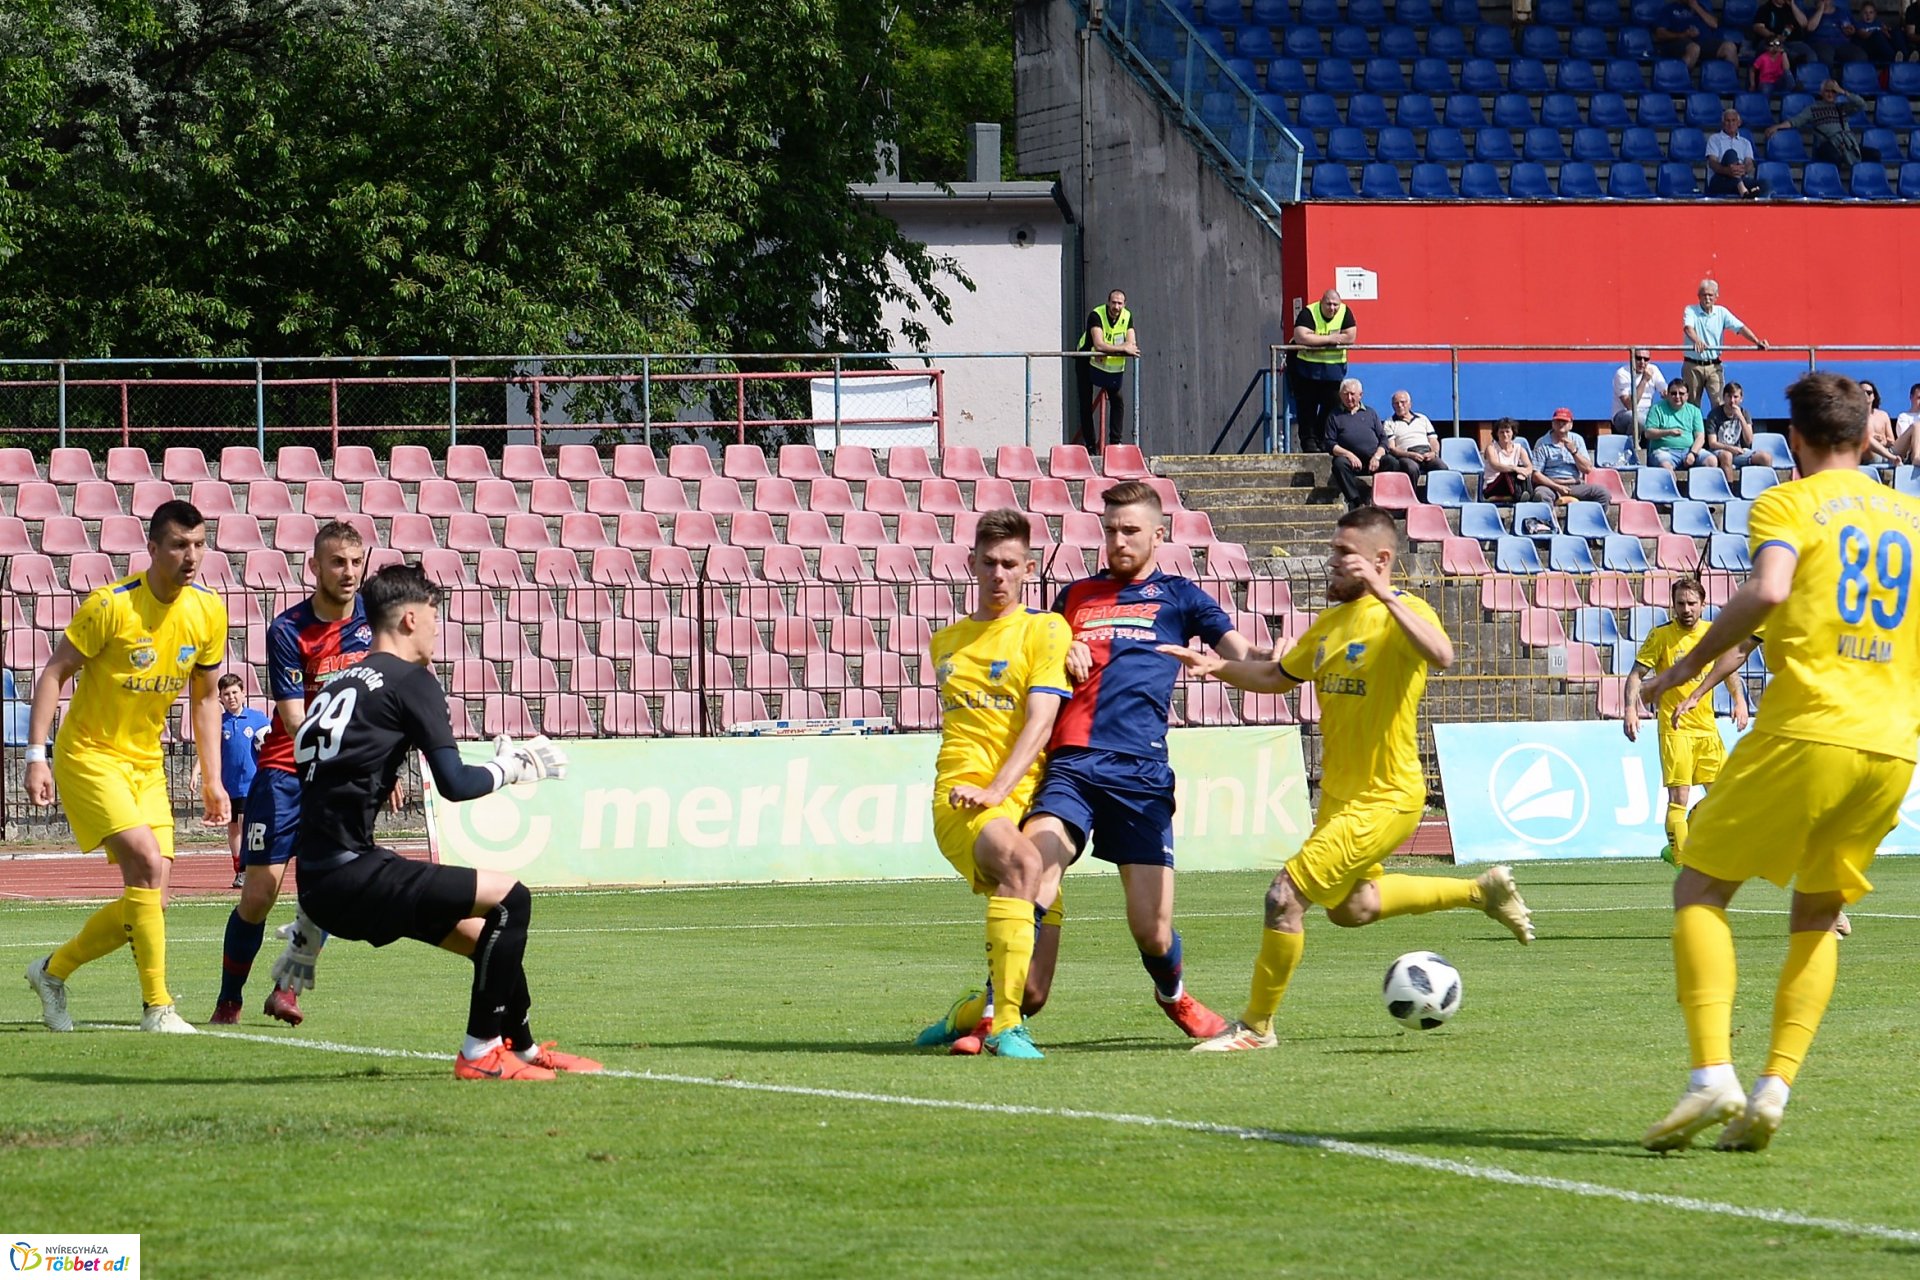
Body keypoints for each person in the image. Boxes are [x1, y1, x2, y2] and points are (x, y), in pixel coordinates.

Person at [1638, 371, 1918, 1152]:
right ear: (1868, 436)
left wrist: (1683, 668)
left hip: (1809, 728)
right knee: (1820, 913)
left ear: (1791, 440)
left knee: (1699, 884)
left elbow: (1766, 591)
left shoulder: (1788, 503)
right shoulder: (1912, 516)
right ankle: (1774, 1087)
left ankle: (1711, 1076)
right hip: (1892, 744)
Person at [1159, 507, 1534, 1053]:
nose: (1330, 562)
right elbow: (1273, 677)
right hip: (1339, 798)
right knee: (1350, 908)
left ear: (1380, 562)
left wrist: (1386, 595)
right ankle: (1480, 891)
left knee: (1283, 898)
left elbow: (1444, 655)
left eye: (1343, 554)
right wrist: (1215, 667)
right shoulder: (1329, 624)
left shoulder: (1404, 612)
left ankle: (1256, 1028)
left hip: (1387, 796)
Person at [286, 563, 597, 1081]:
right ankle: (478, 1053)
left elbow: (318, 784)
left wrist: (308, 923)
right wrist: (513, 768)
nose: (437, 629)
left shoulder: (338, 681)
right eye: (434, 617)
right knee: (511, 898)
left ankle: (520, 1049)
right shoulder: (412, 681)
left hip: (322, 880)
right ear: (409, 619)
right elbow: (454, 783)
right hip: (352, 874)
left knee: (486, 938)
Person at [1019, 480, 1258, 1042]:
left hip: (1141, 773)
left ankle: (1171, 993)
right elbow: (1033, 650)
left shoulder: (1181, 597)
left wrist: (1220, 667)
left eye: (1130, 531)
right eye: (1109, 530)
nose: (1118, 541)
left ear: (1158, 533)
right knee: (1033, 869)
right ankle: (1002, 1008)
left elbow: (1247, 658)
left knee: (1152, 932)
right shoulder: (1074, 596)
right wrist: (1061, 646)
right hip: (1072, 762)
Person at [22, 501, 229, 1035]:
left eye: (199, 544)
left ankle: (52, 971)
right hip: (88, 754)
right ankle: (158, 1007)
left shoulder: (208, 611)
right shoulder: (109, 605)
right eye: (180, 545)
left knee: (151, 900)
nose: (192, 556)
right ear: (154, 549)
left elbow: (206, 700)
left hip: (146, 763)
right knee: (143, 860)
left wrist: (212, 777)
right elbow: (54, 674)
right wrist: (35, 754)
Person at [913, 509, 1073, 1060]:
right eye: (988, 563)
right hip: (962, 797)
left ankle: (969, 1012)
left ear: (1029, 568)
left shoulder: (1045, 629)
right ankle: (1005, 1028)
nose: (998, 574)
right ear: (971, 564)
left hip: (1021, 803)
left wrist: (1002, 791)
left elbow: (1041, 720)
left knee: (1033, 990)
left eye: (1009, 564)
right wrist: (989, 792)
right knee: (1024, 864)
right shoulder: (946, 644)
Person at [210, 521, 373, 1027]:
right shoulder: (287, 629)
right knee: (259, 897)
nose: (348, 572)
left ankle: (286, 989)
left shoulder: (375, 619)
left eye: (355, 561)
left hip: (343, 776)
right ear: (316, 567)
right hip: (286, 772)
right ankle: (229, 998)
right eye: (337, 562)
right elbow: (294, 720)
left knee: (328, 890)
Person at [1623, 577, 1749, 866]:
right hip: (1675, 728)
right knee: (1678, 796)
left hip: (1707, 728)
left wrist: (1739, 700)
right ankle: (1682, 861)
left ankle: (1682, 838)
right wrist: (1630, 709)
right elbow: (1635, 675)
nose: (1686, 609)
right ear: (1673, 605)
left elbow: (1729, 669)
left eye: (1692, 603)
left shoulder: (1713, 633)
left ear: (1703, 605)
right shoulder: (1661, 636)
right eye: (1680, 603)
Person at [1681, 278, 1769, 411]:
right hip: (1693, 365)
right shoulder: (1691, 310)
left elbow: (1740, 327)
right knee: (1692, 406)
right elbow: (1688, 328)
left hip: (1714, 365)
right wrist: (1697, 340)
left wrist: (1757, 341)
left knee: (1719, 403)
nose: (1707, 298)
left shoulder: (1721, 312)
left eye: (1710, 295)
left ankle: (1716, 432)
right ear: (1698, 296)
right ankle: (1694, 432)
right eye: (1704, 295)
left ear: (1716, 297)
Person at [217, 674, 270, 889]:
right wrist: (197, 771)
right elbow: (208, 750)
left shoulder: (257, 719)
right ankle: (239, 868)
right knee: (233, 828)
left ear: (243, 694)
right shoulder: (219, 723)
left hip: (252, 782)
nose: (231, 697)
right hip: (228, 784)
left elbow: (270, 742)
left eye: (235, 692)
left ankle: (250, 867)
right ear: (220, 698)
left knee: (244, 822)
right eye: (226, 694)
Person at [1289, 288, 1356, 452]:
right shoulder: (1309, 313)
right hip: (1307, 370)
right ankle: (1309, 443)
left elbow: (1350, 337)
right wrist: (1330, 339)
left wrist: (1315, 339)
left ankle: (1321, 439)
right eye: (1329, 304)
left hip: (1333, 371)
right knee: (1307, 408)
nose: (1332, 308)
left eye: (1335, 305)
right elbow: (1301, 336)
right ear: (1321, 302)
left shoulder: (1345, 312)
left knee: (1332, 406)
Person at [1765, 80, 1878, 175]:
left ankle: (1865, 181)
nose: (1830, 94)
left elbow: (1861, 104)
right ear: (1821, 92)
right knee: (1834, 157)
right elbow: (1796, 121)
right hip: (1828, 144)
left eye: (1833, 92)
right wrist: (1778, 127)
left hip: (1847, 144)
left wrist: (1842, 92)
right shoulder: (1813, 109)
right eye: (1827, 91)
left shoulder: (1842, 108)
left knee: (1874, 154)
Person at [1076, 289, 1138, 451]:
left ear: (1124, 304)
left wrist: (1114, 349)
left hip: (1110, 365)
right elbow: (1099, 345)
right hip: (1086, 360)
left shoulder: (1127, 316)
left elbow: (1132, 344)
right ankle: (1090, 445)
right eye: (1113, 302)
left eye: (1119, 303)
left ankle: (1115, 443)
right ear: (1108, 302)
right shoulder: (1096, 315)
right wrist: (1122, 348)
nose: (1116, 306)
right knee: (1085, 403)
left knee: (1117, 400)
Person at [1326, 378, 1390, 510]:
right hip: (1351, 461)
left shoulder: (1370, 413)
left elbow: (1383, 439)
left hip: (1373, 459)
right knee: (1339, 464)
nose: (1349, 398)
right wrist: (1349, 455)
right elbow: (1330, 443)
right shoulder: (1334, 415)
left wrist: (1377, 457)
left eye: (1352, 394)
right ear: (1340, 395)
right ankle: (1356, 501)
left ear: (1360, 395)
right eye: (1345, 394)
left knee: (1393, 463)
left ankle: (1385, 500)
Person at [1530, 410, 1611, 504]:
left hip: (1574, 485)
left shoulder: (1577, 439)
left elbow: (1587, 469)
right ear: (1552, 424)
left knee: (1603, 493)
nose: (1561, 424)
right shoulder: (1542, 443)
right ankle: (1548, 518)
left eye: (1564, 422)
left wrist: (1574, 452)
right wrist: (1558, 487)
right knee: (1540, 494)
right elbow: (1536, 475)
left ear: (1571, 424)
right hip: (1551, 485)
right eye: (1558, 421)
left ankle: (1591, 518)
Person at [1704, 382, 1775, 481]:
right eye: (1729, 396)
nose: (1732, 401)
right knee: (1727, 455)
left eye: (1735, 397)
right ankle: (1730, 489)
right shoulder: (1714, 415)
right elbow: (1712, 443)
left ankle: (1762, 488)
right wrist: (1731, 449)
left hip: (1738, 452)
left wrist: (1741, 417)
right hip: (1719, 452)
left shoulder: (1744, 413)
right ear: (1724, 397)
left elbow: (1749, 440)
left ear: (1741, 399)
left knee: (1766, 457)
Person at [1644, 379, 1708, 470]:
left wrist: (1693, 453)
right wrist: (1668, 432)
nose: (1677, 396)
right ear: (1668, 395)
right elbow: (1648, 433)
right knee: (1666, 466)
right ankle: (1672, 484)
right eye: (1673, 393)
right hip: (1664, 451)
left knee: (1711, 461)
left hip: (1689, 450)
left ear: (1687, 396)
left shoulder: (1695, 411)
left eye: (1681, 394)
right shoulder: (1657, 409)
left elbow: (1700, 437)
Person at [1654, 0, 1742, 65]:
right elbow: (1660, 34)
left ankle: (1732, 85)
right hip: (1680, 43)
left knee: (1730, 47)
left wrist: (1696, 7)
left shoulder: (1700, 7)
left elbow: (1714, 24)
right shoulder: (1669, 9)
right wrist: (1683, 34)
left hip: (1704, 43)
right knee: (1694, 48)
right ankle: (1678, 80)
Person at [1611, 349, 1667, 450]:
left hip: (1648, 412)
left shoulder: (1653, 369)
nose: (1642, 362)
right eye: (1638, 358)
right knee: (1640, 419)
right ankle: (1631, 450)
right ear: (1632, 358)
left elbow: (1665, 391)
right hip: (1623, 414)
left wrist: (1667, 394)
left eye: (1646, 359)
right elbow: (1630, 405)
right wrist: (1644, 380)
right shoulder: (1622, 373)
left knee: (1663, 417)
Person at [1382, 390, 1444, 475]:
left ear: (1410, 404)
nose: (1400, 405)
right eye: (1396, 403)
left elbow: (1433, 440)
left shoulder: (1422, 418)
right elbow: (1392, 448)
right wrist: (1409, 455)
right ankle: (1411, 489)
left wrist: (1434, 453)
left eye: (1403, 402)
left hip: (1426, 452)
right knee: (1411, 469)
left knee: (1442, 467)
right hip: (1407, 455)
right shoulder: (1389, 423)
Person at [1705, 109, 1763, 197]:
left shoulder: (1745, 142)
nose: (1731, 124)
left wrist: (1742, 170)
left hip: (1740, 178)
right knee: (1730, 154)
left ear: (1739, 123)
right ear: (1723, 123)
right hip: (1720, 180)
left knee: (1765, 184)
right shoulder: (1714, 139)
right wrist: (1728, 171)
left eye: (1733, 120)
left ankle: (1743, 190)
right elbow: (1712, 163)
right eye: (1727, 121)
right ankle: (1742, 188)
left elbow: (1749, 163)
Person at [1480, 417, 1533, 501]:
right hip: (1493, 485)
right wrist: (1515, 468)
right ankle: (1518, 497)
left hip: (1511, 486)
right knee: (1509, 472)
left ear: (1512, 433)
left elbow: (1529, 467)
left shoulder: (1519, 449)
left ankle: (1530, 495)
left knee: (1522, 471)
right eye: (1501, 432)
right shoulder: (1491, 448)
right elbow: (1495, 465)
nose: (1505, 435)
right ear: (1497, 434)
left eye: (1507, 431)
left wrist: (1524, 473)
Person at [1801, 0, 1871, 59]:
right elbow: (1810, 28)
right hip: (1820, 44)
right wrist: (1820, 10)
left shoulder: (1842, 12)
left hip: (1842, 44)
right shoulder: (1810, 12)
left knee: (1860, 55)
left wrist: (1851, 31)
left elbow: (1853, 28)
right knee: (1826, 54)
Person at [1860, 380, 1898, 463]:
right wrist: (1872, 439)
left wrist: (1883, 441)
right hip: (1871, 455)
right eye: (1862, 392)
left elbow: (1892, 441)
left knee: (1916, 426)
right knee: (1865, 438)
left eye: (1869, 392)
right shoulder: (1854, 416)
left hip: (1888, 452)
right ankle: (1892, 458)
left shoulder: (1883, 415)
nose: (1865, 395)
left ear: (1874, 396)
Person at [1892, 382, 1920, 462]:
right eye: (1919, 398)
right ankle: (1916, 457)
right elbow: (1907, 441)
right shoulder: (1904, 416)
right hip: (1906, 453)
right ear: (1911, 397)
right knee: (1916, 426)